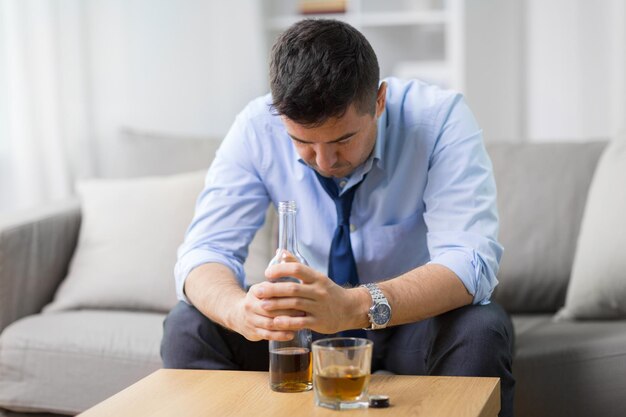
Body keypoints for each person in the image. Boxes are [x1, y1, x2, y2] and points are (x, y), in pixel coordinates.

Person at [161, 18, 515, 417]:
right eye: (302, 142)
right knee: (188, 325)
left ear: (378, 101)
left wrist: (352, 306)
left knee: (480, 330)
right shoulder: (256, 127)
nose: (324, 161)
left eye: (343, 139)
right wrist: (239, 312)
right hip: (304, 330)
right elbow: (205, 251)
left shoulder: (438, 119)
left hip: (412, 323)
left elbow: (471, 262)